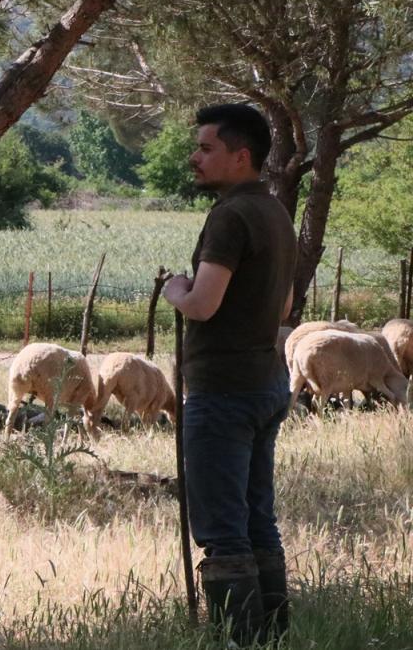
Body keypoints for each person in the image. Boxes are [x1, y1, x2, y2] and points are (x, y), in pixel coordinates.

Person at [163, 103, 296, 646]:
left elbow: (202, 306)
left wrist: (175, 288)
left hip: (224, 392)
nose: (195, 157)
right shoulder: (275, 212)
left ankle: (238, 641)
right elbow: (284, 307)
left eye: (206, 148)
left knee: (221, 530)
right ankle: (275, 635)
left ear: (241, 157)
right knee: (257, 519)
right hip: (267, 383)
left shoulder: (230, 216)